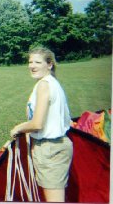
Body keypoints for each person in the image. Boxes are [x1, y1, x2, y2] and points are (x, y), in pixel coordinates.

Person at [10, 47, 73, 202]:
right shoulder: (52, 83)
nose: (32, 66)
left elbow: (37, 123)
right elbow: (67, 119)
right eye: (30, 62)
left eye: (38, 62)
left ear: (49, 64)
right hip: (52, 147)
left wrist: (18, 128)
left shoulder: (44, 85)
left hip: (50, 149)